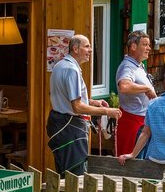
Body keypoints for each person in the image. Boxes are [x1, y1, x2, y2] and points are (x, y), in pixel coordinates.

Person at [47, 34, 121, 175]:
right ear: (75, 49)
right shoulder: (71, 70)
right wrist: (107, 111)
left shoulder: (60, 65)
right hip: (70, 126)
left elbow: (66, 97)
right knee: (75, 174)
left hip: (60, 124)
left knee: (65, 172)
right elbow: (77, 107)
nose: (91, 50)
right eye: (87, 46)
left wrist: (93, 102)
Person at [115, 31, 157, 156]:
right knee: (132, 163)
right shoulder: (127, 67)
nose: (149, 48)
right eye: (145, 45)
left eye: (149, 45)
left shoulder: (138, 65)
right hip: (133, 124)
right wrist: (146, 88)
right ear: (133, 46)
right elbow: (124, 86)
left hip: (142, 123)